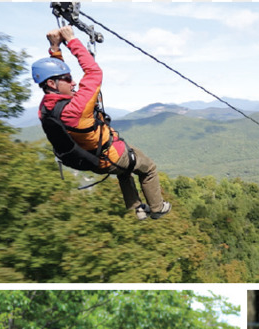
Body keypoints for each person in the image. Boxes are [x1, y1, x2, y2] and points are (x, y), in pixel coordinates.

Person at [31, 25, 171, 221]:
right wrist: (71, 40)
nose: (73, 83)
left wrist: (55, 50)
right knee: (148, 168)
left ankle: (138, 208)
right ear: (53, 84)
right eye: (68, 79)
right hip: (113, 154)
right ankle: (157, 208)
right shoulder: (76, 109)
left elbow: (57, 81)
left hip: (94, 161)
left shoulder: (46, 109)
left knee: (124, 172)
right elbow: (94, 73)